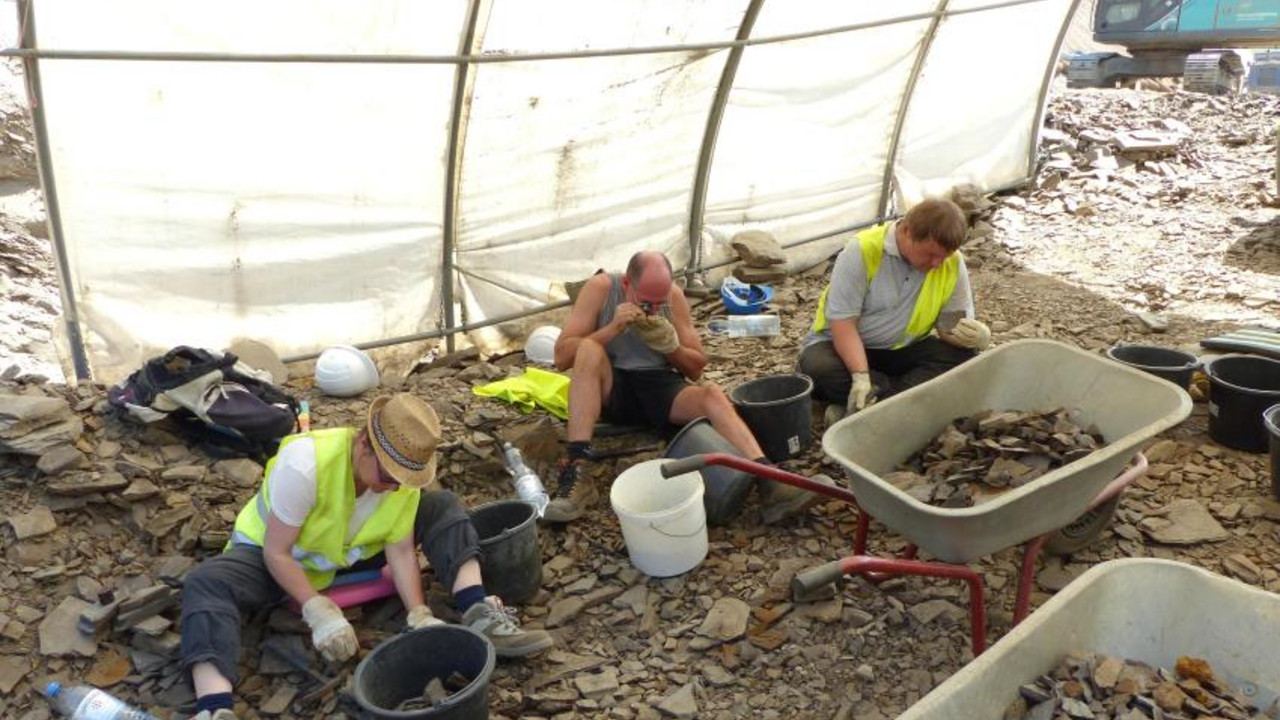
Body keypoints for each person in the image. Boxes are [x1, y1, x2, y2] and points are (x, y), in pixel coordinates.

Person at [180, 393, 553, 720]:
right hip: (276, 557)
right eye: (388, 477)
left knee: (442, 506)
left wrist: (419, 614)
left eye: (402, 481)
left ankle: (478, 610)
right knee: (206, 583)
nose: (393, 489)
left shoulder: (403, 480)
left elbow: (401, 547)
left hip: (352, 554)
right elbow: (277, 552)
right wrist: (317, 610)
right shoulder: (305, 464)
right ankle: (214, 704)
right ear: (363, 445)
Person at [546, 251, 823, 524]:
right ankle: (577, 468)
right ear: (628, 285)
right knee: (589, 349)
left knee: (712, 394)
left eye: (659, 302)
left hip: (658, 383)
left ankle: (769, 480)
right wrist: (612, 329)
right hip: (611, 385)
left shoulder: (673, 296)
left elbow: (695, 367)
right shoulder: (601, 288)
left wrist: (671, 347)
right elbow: (561, 358)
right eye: (646, 304)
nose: (653, 310)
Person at [798, 198, 991, 424]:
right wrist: (860, 376)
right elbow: (844, 324)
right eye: (930, 254)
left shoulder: (952, 263)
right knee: (819, 367)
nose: (938, 263)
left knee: (965, 360)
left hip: (903, 349)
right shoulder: (862, 250)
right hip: (842, 347)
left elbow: (949, 326)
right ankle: (896, 401)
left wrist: (974, 337)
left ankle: (866, 406)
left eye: (944, 256)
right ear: (907, 231)